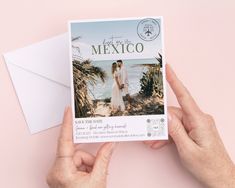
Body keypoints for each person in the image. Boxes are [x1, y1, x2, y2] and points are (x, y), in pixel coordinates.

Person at [47, 64, 235, 188]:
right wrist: (223, 175)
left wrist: (223, 175)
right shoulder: (116, 76)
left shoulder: (122, 77)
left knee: (120, 100)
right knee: (117, 99)